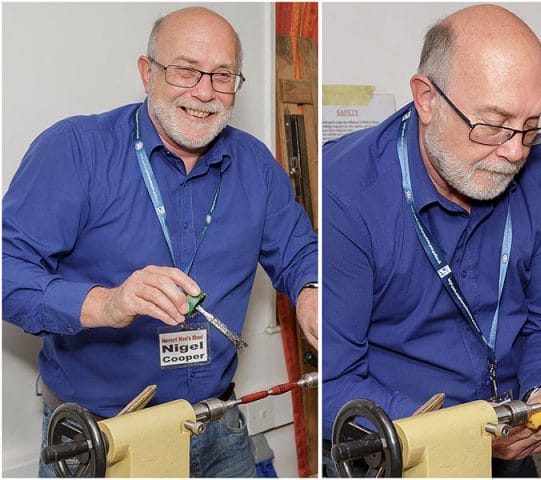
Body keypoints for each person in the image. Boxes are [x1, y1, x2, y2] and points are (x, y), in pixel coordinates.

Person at [3, 7, 317, 478]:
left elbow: (299, 251)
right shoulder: (76, 149)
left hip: (216, 428)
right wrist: (105, 303)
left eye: (222, 75)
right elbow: (7, 269)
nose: (205, 92)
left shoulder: (255, 165)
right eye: (186, 70)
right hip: (101, 439)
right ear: (147, 72)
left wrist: (311, 290)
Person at [322, 4, 541, 477]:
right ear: (426, 98)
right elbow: (333, 382)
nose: (514, 152)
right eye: (492, 123)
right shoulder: (343, 192)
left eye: (531, 126)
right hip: (393, 453)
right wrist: (468, 432)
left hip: (513, 447)